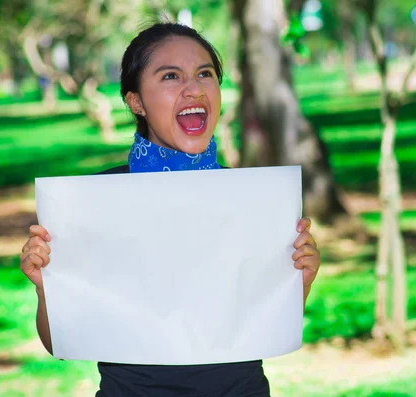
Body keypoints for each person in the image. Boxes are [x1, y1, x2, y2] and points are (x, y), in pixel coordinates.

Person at [19, 23, 321, 397]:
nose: (193, 88)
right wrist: (47, 289)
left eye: (205, 74)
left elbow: (258, 323)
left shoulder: (252, 201)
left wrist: (296, 281)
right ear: (136, 102)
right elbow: (59, 344)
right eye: (170, 76)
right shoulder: (92, 206)